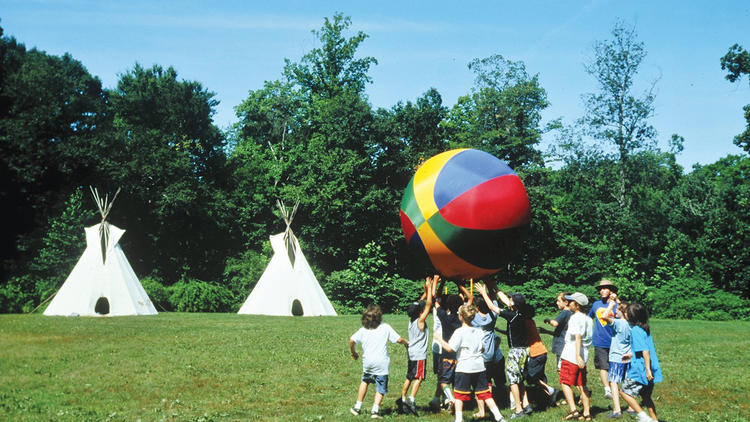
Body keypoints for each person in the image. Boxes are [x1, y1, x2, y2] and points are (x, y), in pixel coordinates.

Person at [434, 303, 507, 422]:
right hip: (479, 366)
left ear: (461, 317)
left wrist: (439, 339)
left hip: (464, 368)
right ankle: (499, 417)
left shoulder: (459, 332)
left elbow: (450, 348)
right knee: (485, 394)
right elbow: (482, 348)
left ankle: (458, 419)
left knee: (459, 395)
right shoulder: (479, 331)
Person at [349, 304, 409, 418]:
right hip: (381, 363)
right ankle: (375, 411)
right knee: (381, 386)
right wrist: (406, 342)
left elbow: (351, 340)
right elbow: (399, 339)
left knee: (365, 381)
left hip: (367, 362)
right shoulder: (385, 327)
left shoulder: (362, 330)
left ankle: (357, 407)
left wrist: (354, 352)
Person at [397, 275, 436, 416]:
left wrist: (426, 289)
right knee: (419, 377)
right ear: (420, 312)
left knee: (409, 376)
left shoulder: (412, 319)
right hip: (419, 354)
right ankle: (411, 399)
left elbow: (421, 301)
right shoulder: (420, 321)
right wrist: (431, 287)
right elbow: (429, 304)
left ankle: (402, 398)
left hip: (411, 351)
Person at [432, 280, 472, 413]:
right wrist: (459, 283)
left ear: (447, 305)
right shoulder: (463, 318)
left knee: (443, 381)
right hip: (459, 356)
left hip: (447, 354)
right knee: (456, 383)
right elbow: (469, 299)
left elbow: (435, 301)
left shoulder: (444, 317)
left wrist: (441, 283)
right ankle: (455, 407)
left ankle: (451, 399)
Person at [619, 303, 662, 422]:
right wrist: (631, 354)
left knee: (624, 392)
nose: (625, 314)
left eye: (627, 312)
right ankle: (654, 420)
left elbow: (645, 351)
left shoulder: (635, 331)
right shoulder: (644, 328)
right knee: (646, 397)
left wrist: (647, 370)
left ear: (632, 316)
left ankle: (643, 417)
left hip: (640, 370)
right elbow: (643, 348)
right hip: (649, 368)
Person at [494, 289, 531, 419]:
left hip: (515, 351)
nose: (508, 300)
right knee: (520, 378)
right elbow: (507, 302)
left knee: (513, 381)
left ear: (513, 304)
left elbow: (493, 307)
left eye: (510, 299)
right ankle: (526, 404)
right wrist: (495, 287)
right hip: (525, 350)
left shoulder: (511, 315)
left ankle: (518, 409)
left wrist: (483, 293)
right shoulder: (522, 313)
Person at [473, 282, 507, 418]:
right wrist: (487, 288)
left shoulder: (474, 319)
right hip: (496, 357)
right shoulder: (492, 316)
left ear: (476, 308)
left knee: (483, 384)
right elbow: (493, 303)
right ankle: (509, 402)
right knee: (500, 382)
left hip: (483, 358)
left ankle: (483, 410)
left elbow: (465, 308)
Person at [559, 292, 594, 421]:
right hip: (583, 356)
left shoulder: (575, 318)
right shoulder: (589, 320)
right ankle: (587, 413)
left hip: (572, 355)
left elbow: (578, 336)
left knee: (565, 382)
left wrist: (577, 355)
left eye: (571, 301)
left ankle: (573, 410)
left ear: (577, 305)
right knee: (582, 384)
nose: (569, 303)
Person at [601, 292, 632, 418]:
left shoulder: (618, 323)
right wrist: (618, 301)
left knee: (614, 382)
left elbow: (603, 316)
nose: (615, 311)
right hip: (628, 358)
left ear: (622, 313)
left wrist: (610, 305)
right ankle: (631, 407)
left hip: (616, 358)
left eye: (617, 310)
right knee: (627, 382)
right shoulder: (632, 324)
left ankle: (617, 409)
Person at [588, 278, 619, 399]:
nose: (602, 290)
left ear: (611, 290)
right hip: (599, 340)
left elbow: (625, 313)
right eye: (601, 288)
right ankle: (607, 389)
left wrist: (616, 300)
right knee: (603, 366)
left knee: (614, 366)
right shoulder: (596, 304)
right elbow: (589, 317)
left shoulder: (616, 304)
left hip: (614, 340)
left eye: (605, 288)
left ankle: (615, 386)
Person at [540, 292, 573, 369]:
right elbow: (561, 331)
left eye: (558, 301)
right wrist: (546, 331)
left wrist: (548, 320)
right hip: (568, 344)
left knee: (560, 369)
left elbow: (555, 323)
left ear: (566, 302)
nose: (556, 303)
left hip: (561, 345)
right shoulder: (571, 313)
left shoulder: (564, 312)